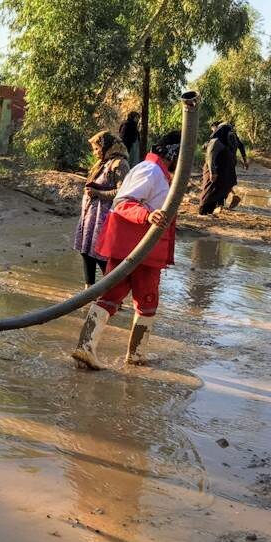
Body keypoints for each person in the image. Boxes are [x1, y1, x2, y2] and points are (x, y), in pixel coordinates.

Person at [71, 130, 182, 370]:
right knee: (119, 297)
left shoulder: (158, 173)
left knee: (142, 300)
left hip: (144, 248)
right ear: (173, 154)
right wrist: (148, 215)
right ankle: (94, 348)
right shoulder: (149, 171)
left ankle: (132, 354)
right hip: (136, 248)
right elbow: (123, 203)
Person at [73, 130, 130, 286]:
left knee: (101, 254)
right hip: (91, 215)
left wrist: (98, 193)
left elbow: (122, 192)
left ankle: (113, 291)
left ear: (108, 147)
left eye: (97, 148)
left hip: (104, 217)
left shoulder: (119, 164)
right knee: (86, 251)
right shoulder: (102, 163)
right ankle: (88, 289)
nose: (95, 152)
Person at [198, 123, 239, 215]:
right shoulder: (215, 141)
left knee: (220, 190)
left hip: (221, 172)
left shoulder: (226, 142)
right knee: (209, 191)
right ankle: (203, 211)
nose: (231, 133)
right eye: (229, 131)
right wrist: (213, 172)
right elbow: (210, 157)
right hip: (213, 172)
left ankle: (211, 211)